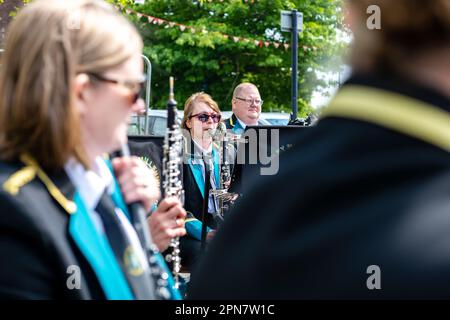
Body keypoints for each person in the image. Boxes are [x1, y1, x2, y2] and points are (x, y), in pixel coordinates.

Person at [189, 0, 450, 299]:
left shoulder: (263, 218)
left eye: (257, 101)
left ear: (349, 14)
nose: (254, 106)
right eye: (249, 101)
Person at [0, 0, 186, 299]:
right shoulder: (15, 212)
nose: (139, 107)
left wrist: (141, 235)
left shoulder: (105, 185)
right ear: (82, 92)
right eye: (132, 88)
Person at [179, 92, 234, 271]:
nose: (210, 122)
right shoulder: (177, 156)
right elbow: (176, 209)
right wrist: (208, 234)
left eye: (215, 117)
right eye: (203, 117)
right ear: (188, 122)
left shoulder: (227, 153)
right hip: (189, 234)